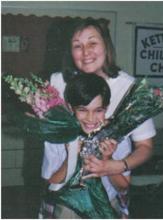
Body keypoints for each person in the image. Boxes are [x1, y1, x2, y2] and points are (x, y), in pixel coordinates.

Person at [48, 17, 156, 178]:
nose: (85, 52)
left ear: (106, 45)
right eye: (77, 45)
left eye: (92, 43)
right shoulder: (58, 82)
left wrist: (118, 166)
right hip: (62, 181)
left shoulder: (130, 88)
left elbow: (145, 146)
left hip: (110, 185)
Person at [40, 74, 131, 218]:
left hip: (107, 205)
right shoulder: (56, 136)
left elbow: (123, 187)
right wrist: (70, 159)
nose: (90, 118)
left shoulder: (117, 136)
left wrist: (108, 159)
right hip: (67, 206)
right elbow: (50, 184)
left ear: (106, 108)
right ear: (71, 108)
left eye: (98, 110)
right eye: (82, 110)